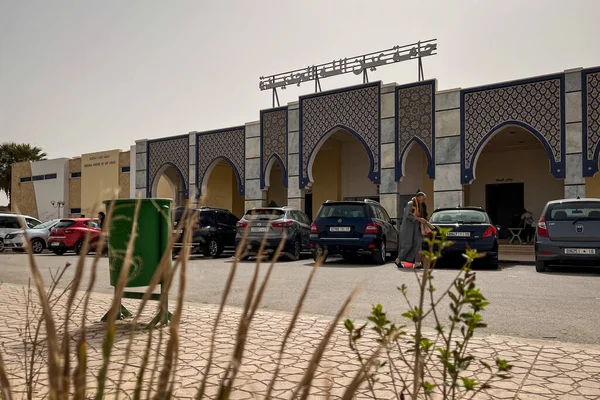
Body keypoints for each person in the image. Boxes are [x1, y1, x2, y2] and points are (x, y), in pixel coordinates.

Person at [395, 192, 428, 269]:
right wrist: (418, 219)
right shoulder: (411, 204)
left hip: (416, 227)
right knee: (408, 245)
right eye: (423, 199)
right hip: (409, 228)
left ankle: (417, 263)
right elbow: (407, 215)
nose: (424, 201)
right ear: (419, 197)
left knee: (418, 244)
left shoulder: (419, 205)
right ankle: (398, 260)